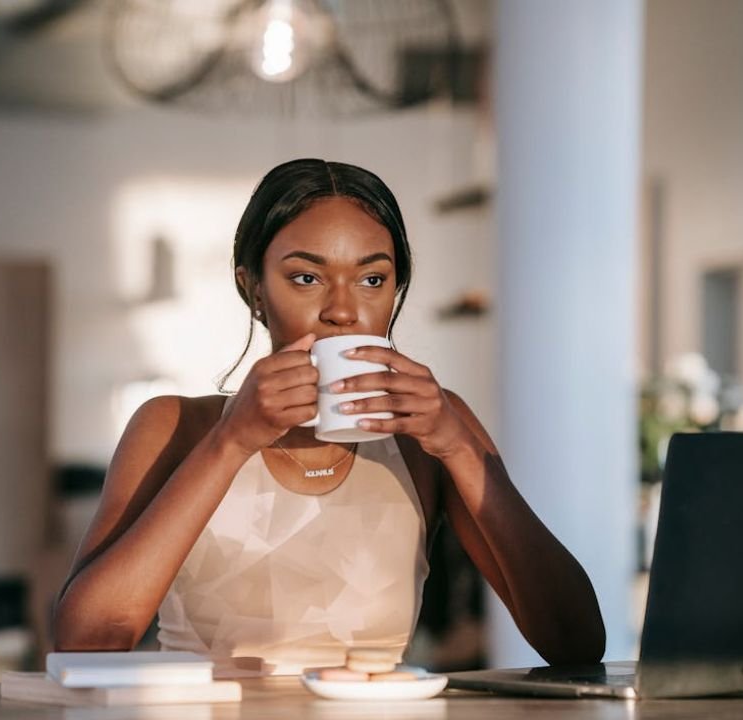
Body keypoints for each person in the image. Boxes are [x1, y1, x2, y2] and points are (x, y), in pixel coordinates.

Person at [52, 159, 605, 674]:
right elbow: (85, 643)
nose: (342, 309)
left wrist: (460, 448)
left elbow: (576, 643)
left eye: (372, 280)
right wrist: (232, 442)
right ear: (253, 289)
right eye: (306, 278)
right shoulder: (175, 427)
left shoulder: (430, 433)